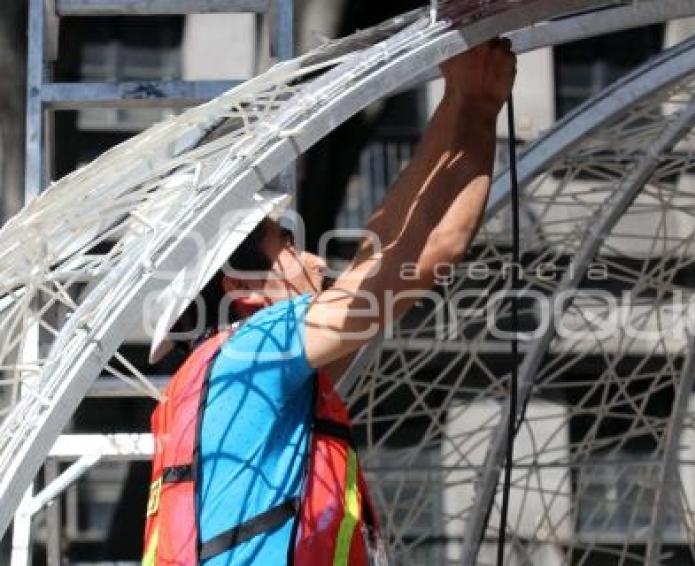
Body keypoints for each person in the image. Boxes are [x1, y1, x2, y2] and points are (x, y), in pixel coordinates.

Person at [142, 39, 516, 566]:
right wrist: (478, 103)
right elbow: (422, 257)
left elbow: (396, 250)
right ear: (238, 288)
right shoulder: (256, 351)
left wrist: (462, 97)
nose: (316, 263)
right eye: (288, 246)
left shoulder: (228, 376)